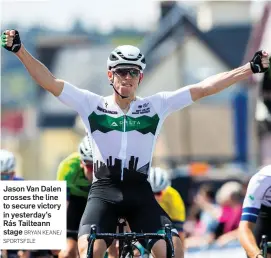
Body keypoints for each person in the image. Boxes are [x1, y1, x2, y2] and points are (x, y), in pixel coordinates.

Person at [1, 29, 269, 258]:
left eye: (133, 72)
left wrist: (249, 68)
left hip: (140, 191)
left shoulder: (156, 106)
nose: (126, 77)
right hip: (104, 191)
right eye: (121, 72)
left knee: (171, 249)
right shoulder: (91, 104)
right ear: (110, 75)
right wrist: (20, 50)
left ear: (140, 77)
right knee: (89, 250)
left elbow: (204, 88)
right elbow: (49, 82)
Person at [56, 136, 94, 258]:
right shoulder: (68, 167)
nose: (94, 172)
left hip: (98, 203)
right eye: (90, 166)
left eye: (97, 166)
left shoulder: (110, 166)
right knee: (68, 253)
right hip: (75, 203)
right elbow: (60, 204)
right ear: (81, 163)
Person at [238, 165, 271, 258]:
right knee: (256, 247)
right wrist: (256, 255)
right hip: (266, 212)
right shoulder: (261, 180)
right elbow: (245, 227)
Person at [148, 167, 186, 243]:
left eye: (158, 193)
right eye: (152, 193)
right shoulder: (142, 194)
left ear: (165, 189)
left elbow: (179, 229)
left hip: (167, 222)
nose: (155, 197)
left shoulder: (173, 196)